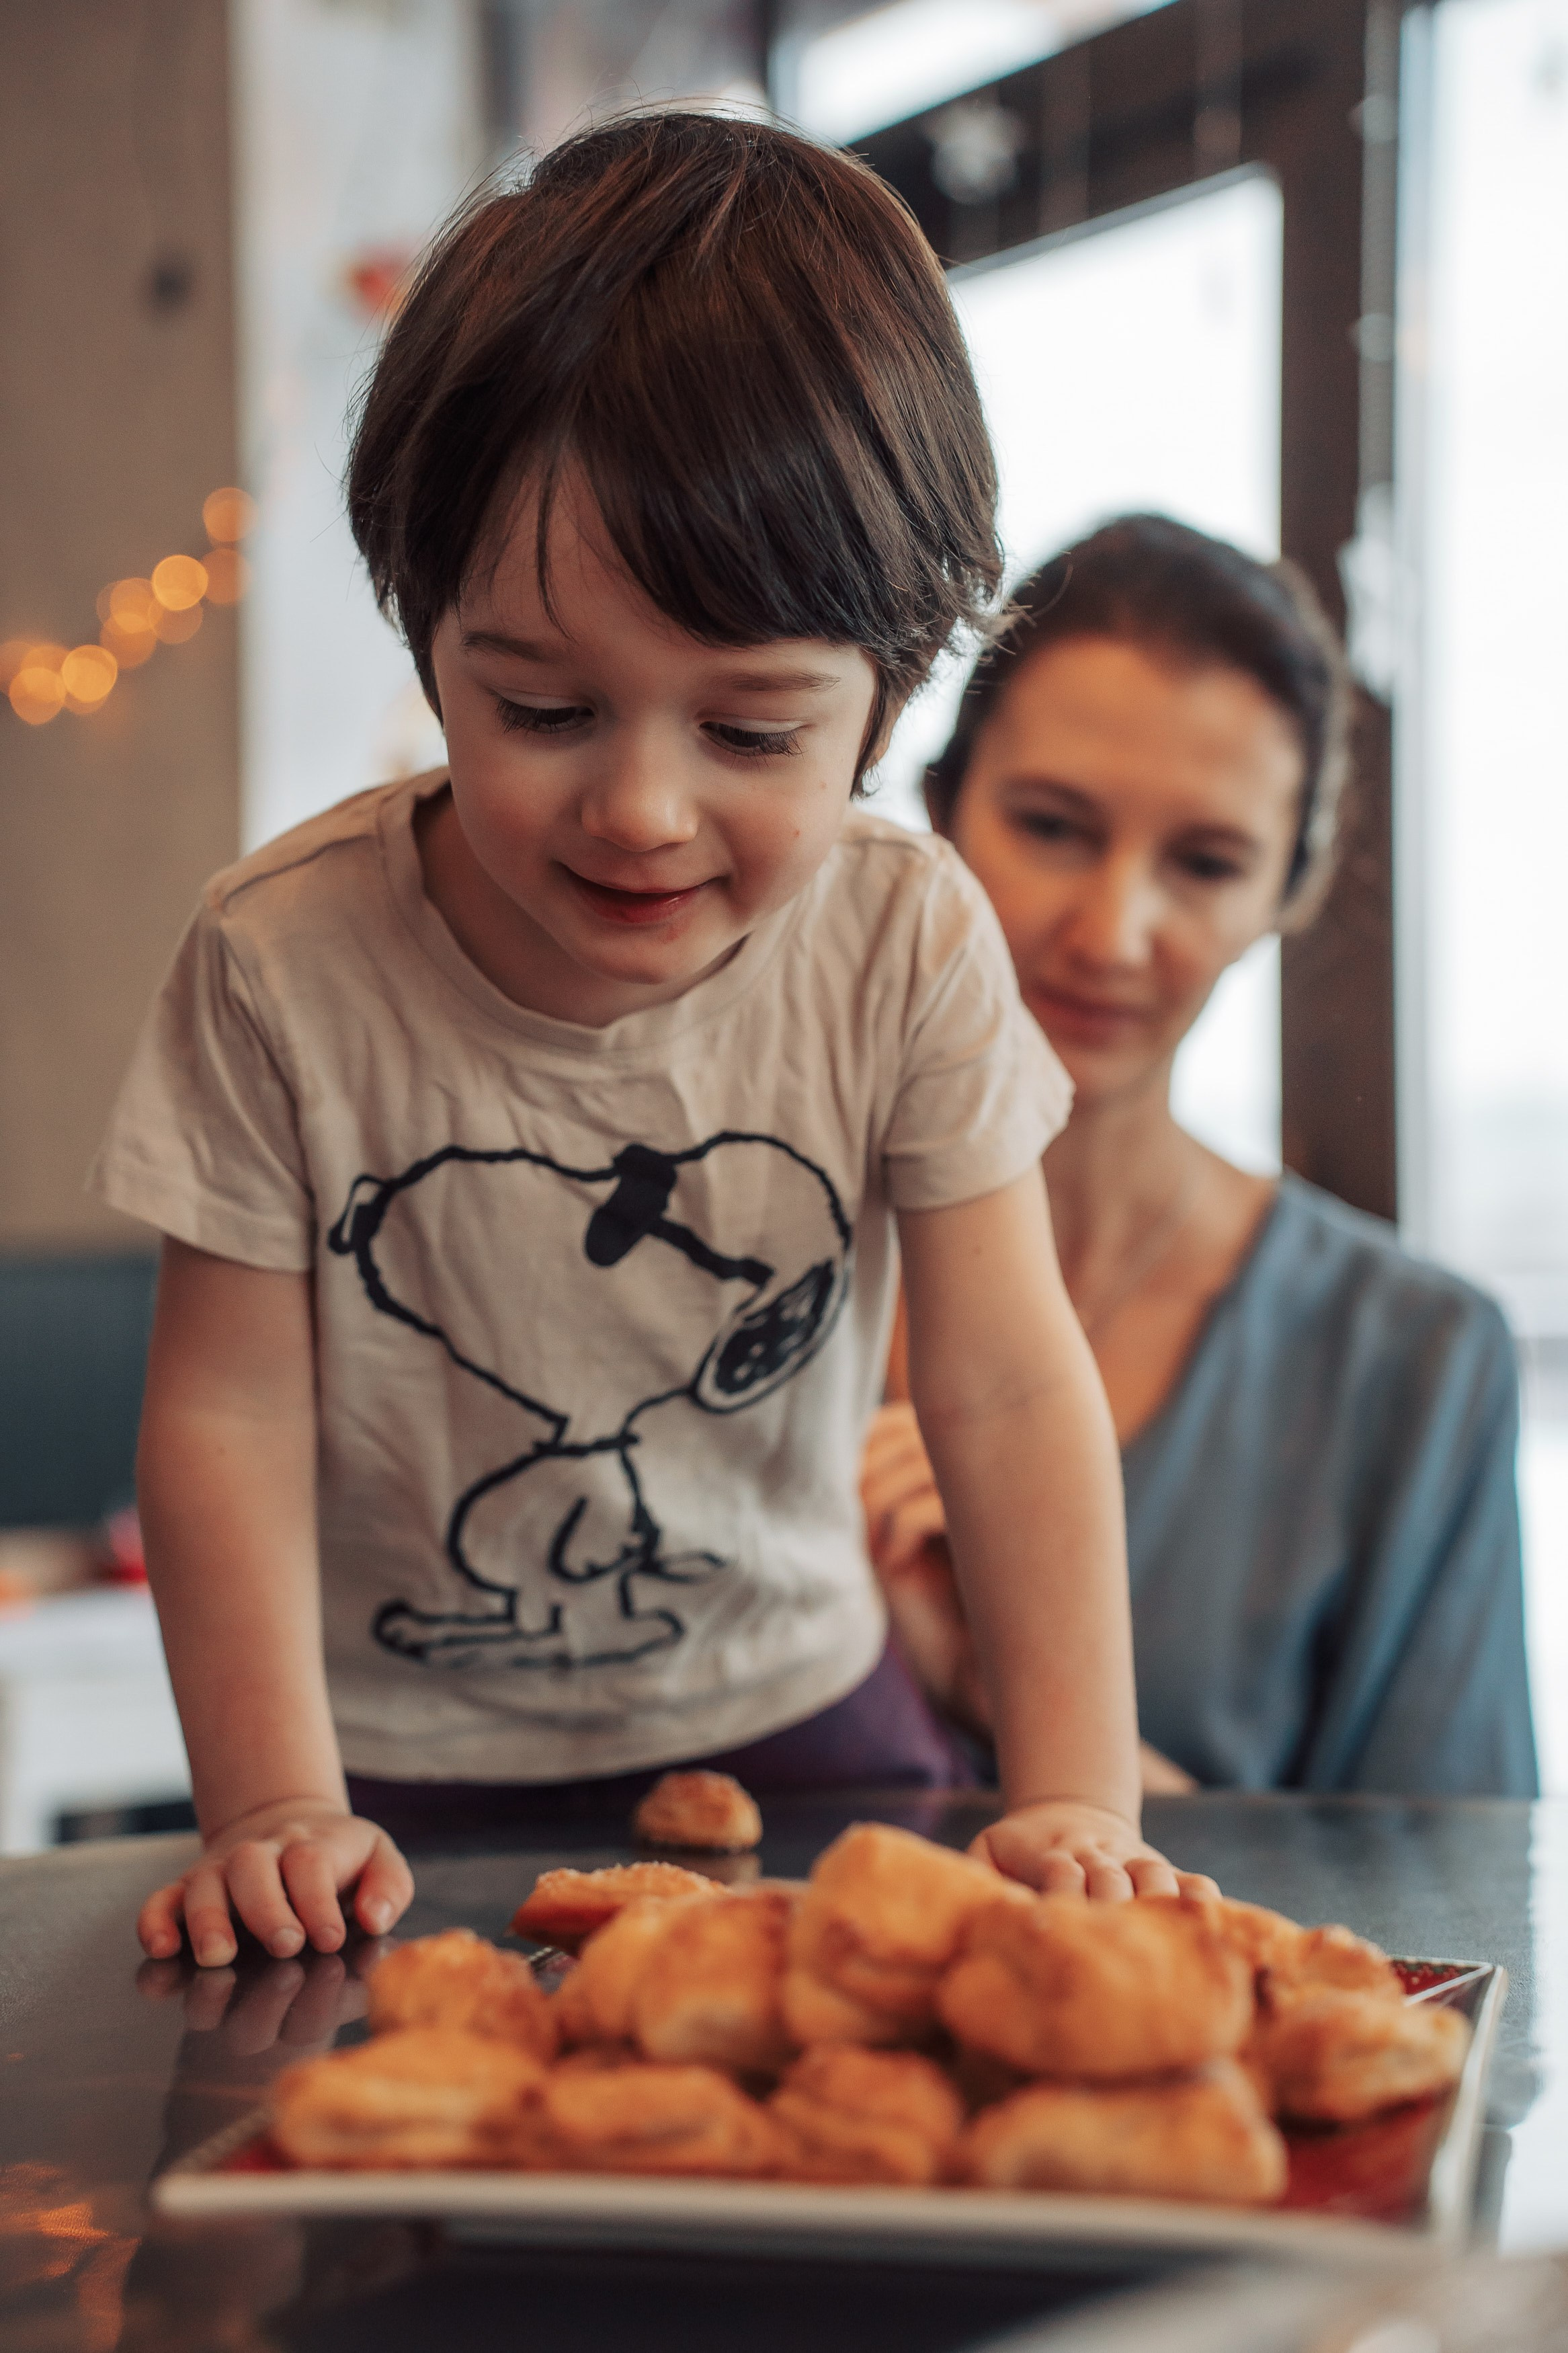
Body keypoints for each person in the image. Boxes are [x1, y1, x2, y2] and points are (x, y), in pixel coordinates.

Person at [91, 116, 1202, 1975]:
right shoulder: (278, 962)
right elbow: (225, 1413)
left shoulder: (903, 933)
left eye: (753, 733)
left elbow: (1008, 1384)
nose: (641, 811)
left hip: (807, 1707)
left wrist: (1080, 1788)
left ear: (886, 701)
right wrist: (272, 1801)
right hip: (393, 1762)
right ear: (425, 634)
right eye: (542, 707)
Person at [862, 514, 1538, 1800]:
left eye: (1206, 862)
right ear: (942, 813)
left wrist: (1017, 1690)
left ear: (1287, 890)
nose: (1112, 934)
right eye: (1052, 827)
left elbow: (1440, 1907)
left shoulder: (1411, 1362)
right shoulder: (738, 1252)